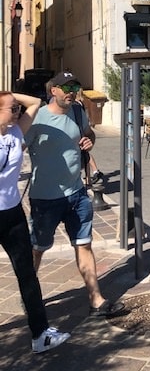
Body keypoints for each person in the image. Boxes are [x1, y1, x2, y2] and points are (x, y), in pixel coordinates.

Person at [24, 71, 125, 319]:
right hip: (45, 198)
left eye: (75, 86)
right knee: (37, 249)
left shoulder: (78, 112)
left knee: (84, 245)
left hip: (77, 193)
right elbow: (17, 146)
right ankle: (29, 297)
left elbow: (87, 134)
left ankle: (96, 300)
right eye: (66, 87)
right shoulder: (37, 118)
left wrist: (90, 141)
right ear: (53, 90)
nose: (72, 92)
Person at [0, 91, 70, 354]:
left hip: (13, 213)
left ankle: (40, 334)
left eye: (18, 109)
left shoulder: (17, 132)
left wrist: (8, 95)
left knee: (27, 274)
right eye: (11, 109)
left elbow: (36, 102)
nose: (17, 112)